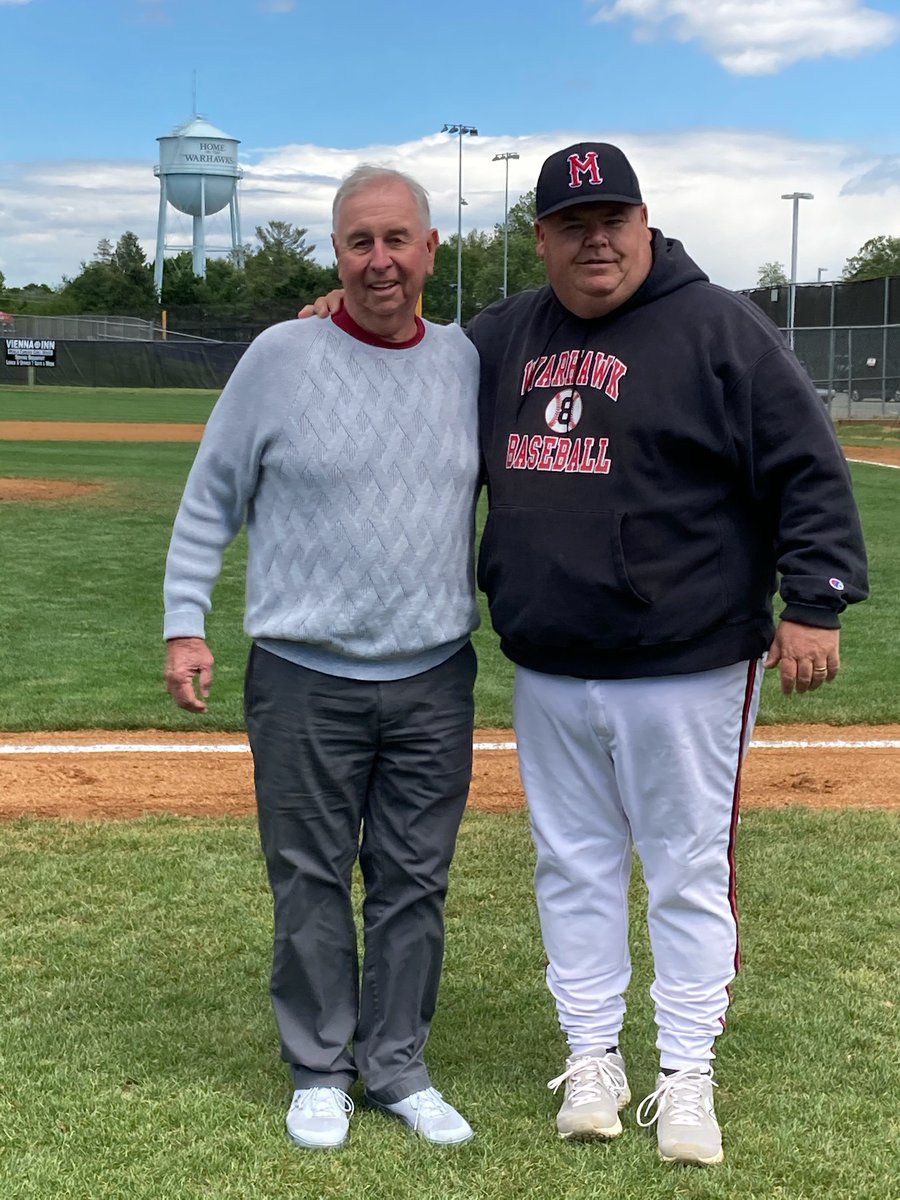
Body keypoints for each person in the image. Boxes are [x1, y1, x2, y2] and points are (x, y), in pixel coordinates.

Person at [302, 141, 868, 1166]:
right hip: (552, 659)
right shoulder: (505, 334)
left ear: (645, 224)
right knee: (574, 869)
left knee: (688, 870)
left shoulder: (719, 327)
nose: (594, 239)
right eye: (572, 224)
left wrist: (816, 600)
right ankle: (593, 1057)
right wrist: (334, 332)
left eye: (612, 219)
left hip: (690, 659)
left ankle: (686, 1072)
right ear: (543, 239)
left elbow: (806, 467)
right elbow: (410, 380)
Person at [163, 165, 481, 1150]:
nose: (378, 260)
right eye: (358, 242)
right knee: (306, 878)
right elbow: (212, 493)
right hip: (302, 675)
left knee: (412, 883)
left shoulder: (471, 360)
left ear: (432, 250)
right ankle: (318, 1068)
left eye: (397, 240)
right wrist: (185, 620)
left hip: (434, 673)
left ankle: (396, 1066)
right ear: (335, 254)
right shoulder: (279, 356)